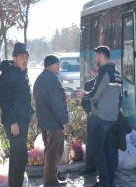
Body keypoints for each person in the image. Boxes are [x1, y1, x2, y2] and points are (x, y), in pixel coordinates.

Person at [77, 46, 122, 187]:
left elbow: (96, 92)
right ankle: (110, 181)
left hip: (100, 117)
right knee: (107, 150)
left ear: (102, 56)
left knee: (97, 149)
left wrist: (85, 94)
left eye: (96, 57)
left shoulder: (104, 71)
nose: (94, 59)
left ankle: (103, 182)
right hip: (111, 117)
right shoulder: (117, 72)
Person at [0, 42, 37, 187]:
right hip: (13, 122)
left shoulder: (23, 74)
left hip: (22, 120)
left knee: (16, 157)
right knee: (20, 158)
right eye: (21, 56)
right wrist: (12, 121)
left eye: (26, 56)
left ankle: (14, 184)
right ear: (14, 58)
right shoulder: (7, 75)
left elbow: (24, 100)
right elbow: (5, 101)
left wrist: (31, 113)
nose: (25, 59)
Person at [33, 55, 69, 187]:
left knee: (50, 151)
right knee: (55, 151)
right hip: (54, 122)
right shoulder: (53, 80)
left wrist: (61, 93)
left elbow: (45, 98)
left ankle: (51, 177)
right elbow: (56, 103)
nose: (59, 66)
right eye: (57, 64)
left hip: (44, 121)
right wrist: (64, 121)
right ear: (49, 66)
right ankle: (50, 181)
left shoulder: (40, 79)